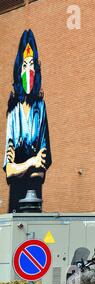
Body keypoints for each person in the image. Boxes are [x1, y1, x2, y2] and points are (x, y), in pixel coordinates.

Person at [3, 29, 52, 213]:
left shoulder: (40, 108)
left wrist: (20, 165)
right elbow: (9, 170)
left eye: (32, 64)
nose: (28, 70)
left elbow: (41, 170)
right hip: (16, 200)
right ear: (19, 69)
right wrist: (31, 161)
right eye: (25, 65)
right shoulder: (13, 111)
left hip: (35, 197)